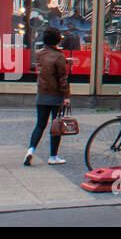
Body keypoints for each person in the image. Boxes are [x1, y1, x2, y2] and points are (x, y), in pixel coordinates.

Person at [25, 27, 71, 166]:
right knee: (56, 126)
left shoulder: (39, 53)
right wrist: (66, 96)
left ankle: (30, 151)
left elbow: (47, 65)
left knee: (40, 125)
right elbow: (62, 78)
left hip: (42, 94)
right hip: (55, 95)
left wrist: (66, 60)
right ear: (57, 40)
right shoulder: (59, 56)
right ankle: (53, 156)